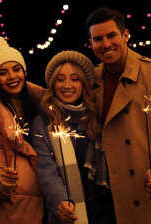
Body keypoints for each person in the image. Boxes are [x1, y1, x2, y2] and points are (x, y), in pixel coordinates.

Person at [85, 7, 151, 223]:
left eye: (111, 35)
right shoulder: (91, 80)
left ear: (126, 35)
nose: (105, 44)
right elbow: (55, 96)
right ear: (91, 43)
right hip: (109, 206)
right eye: (98, 39)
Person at [31, 50, 116, 224]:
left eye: (75, 79)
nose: (67, 85)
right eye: (60, 79)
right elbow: (46, 168)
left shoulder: (98, 113)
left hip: (106, 209)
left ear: (84, 83)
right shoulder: (44, 121)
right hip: (69, 209)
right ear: (53, 83)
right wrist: (60, 200)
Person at [0, 35, 45, 224]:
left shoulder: (41, 108)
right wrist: (2, 182)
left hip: (47, 208)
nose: (12, 77)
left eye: (16, 69)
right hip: (12, 213)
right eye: (3, 72)